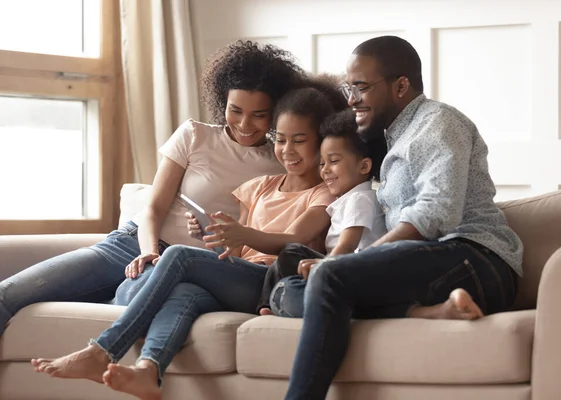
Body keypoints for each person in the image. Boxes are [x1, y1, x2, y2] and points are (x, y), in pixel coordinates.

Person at [31, 84, 346, 400]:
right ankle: (149, 371)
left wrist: (240, 234)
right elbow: (233, 254)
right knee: (185, 293)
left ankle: (102, 351)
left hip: (271, 284)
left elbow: (293, 240)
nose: (287, 150)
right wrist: (212, 236)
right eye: (279, 139)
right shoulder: (261, 186)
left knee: (180, 255)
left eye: (300, 141)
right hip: (241, 279)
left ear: (321, 142)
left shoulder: (324, 194)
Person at [0, 40, 305, 334]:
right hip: (133, 245)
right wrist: (149, 254)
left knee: (129, 299)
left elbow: (265, 235)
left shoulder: (281, 161)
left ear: (276, 112)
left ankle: (115, 299)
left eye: (259, 115)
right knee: (9, 294)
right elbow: (153, 208)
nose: (244, 123)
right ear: (221, 99)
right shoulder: (194, 135)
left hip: (192, 269)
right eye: (235, 110)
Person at [282, 35, 524, 400]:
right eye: (349, 88)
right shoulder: (396, 138)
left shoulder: (437, 122)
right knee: (289, 288)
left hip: (476, 259)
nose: (351, 99)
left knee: (329, 277)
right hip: (435, 263)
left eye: (361, 87)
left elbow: (436, 211)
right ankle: (433, 312)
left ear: (400, 86)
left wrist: (356, 262)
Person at [256, 108, 388, 316]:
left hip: (352, 271)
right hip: (340, 268)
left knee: (292, 251)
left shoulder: (360, 198)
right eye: (322, 163)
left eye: (333, 162)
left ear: (364, 166)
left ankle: (267, 305)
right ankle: (271, 304)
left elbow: (348, 244)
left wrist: (325, 265)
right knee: (291, 258)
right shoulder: (346, 200)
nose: (325, 170)